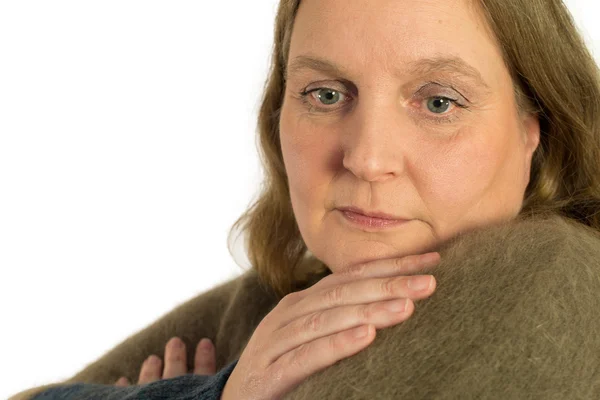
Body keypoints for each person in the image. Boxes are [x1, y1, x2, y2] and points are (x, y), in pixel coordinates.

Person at [10, 0, 600, 398]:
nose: (366, 158)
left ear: (535, 126)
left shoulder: (557, 274)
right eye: (324, 93)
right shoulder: (268, 303)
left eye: (439, 102)